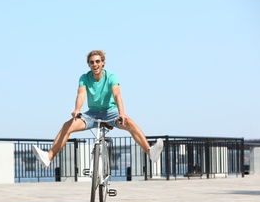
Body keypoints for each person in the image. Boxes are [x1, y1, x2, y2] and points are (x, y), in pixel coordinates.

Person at [32, 50, 163, 167]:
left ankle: (149, 152)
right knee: (67, 125)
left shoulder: (111, 77)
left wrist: (121, 113)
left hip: (110, 113)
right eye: (91, 62)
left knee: (129, 122)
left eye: (97, 61)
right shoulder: (84, 78)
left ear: (103, 63)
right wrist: (77, 109)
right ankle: (49, 157)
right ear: (88, 64)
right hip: (92, 114)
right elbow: (81, 94)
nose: (95, 64)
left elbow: (117, 94)